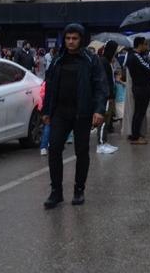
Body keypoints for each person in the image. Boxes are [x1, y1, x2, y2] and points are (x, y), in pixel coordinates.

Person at [41, 24, 108, 209]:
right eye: (68, 38)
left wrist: (99, 110)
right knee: (54, 149)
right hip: (60, 113)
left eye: (75, 38)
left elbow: (101, 86)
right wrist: (46, 111)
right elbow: (50, 87)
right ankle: (56, 192)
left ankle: (79, 190)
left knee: (81, 152)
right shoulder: (57, 60)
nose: (71, 42)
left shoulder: (90, 60)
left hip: (82, 113)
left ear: (81, 40)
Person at [125, 37, 150, 144]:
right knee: (140, 112)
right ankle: (136, 136)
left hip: (138, 86)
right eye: (145, 44)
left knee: (137, 112)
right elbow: (149, 68)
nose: (146, 47)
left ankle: (135, 134)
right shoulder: (136, 56)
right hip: (142, 88)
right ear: (140, 45)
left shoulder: (132, 56)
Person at [96, 41, 119, 154]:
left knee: (107, 119)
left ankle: (104, 141)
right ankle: (101, 144)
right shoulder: (104, 61)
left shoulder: (107, 61)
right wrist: (108, 94)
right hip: (106, 96)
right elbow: (104, 80)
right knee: (104, 119)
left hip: (108, 95)